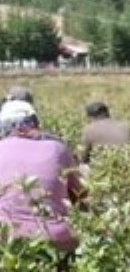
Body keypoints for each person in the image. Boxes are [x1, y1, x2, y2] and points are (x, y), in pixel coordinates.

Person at [0, 100, 85, 256]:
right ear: (35, 123)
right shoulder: (58, 149)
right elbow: (81, 196)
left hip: (8, 241)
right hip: (57, 240)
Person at [79, 101, 130, 165]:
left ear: (91, 117)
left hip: (105, 166)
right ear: (108, 113)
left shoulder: (89, 130)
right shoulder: (125, 125)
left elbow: (84, 158)